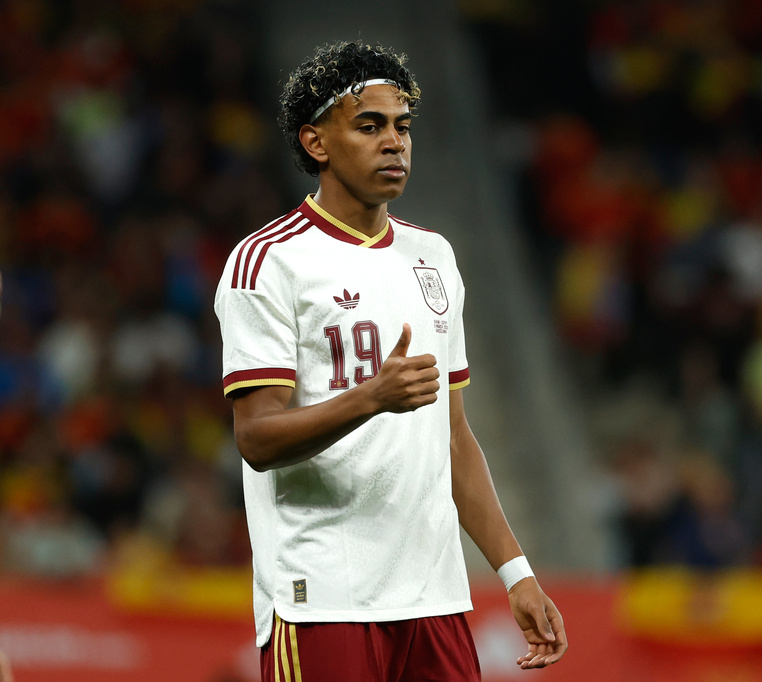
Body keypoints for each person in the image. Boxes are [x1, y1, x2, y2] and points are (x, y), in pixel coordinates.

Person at [214, 40, 566, 681]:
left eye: (402, 127)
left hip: (435, 599)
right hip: (323, 598)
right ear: (316, 142)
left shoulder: (434, 258)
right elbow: (256, 438)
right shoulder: (268, 262)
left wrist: (516, 573)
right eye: (370, 126)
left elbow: (453, 437)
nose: (394, 143)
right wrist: (370, 398)